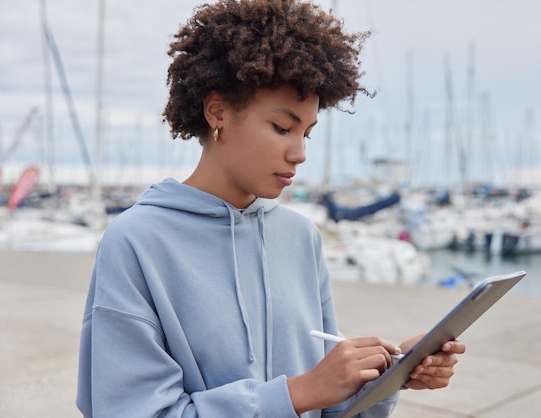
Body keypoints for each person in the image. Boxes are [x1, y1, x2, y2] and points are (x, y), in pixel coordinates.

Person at [76, 0, 466, 417]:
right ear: (217, 110)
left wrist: (389, 372)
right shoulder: (136, 242)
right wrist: (298, 393)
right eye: (282, 128)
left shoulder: (302, 238)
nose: (298, 153)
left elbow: (328, 405)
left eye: (307, 133)